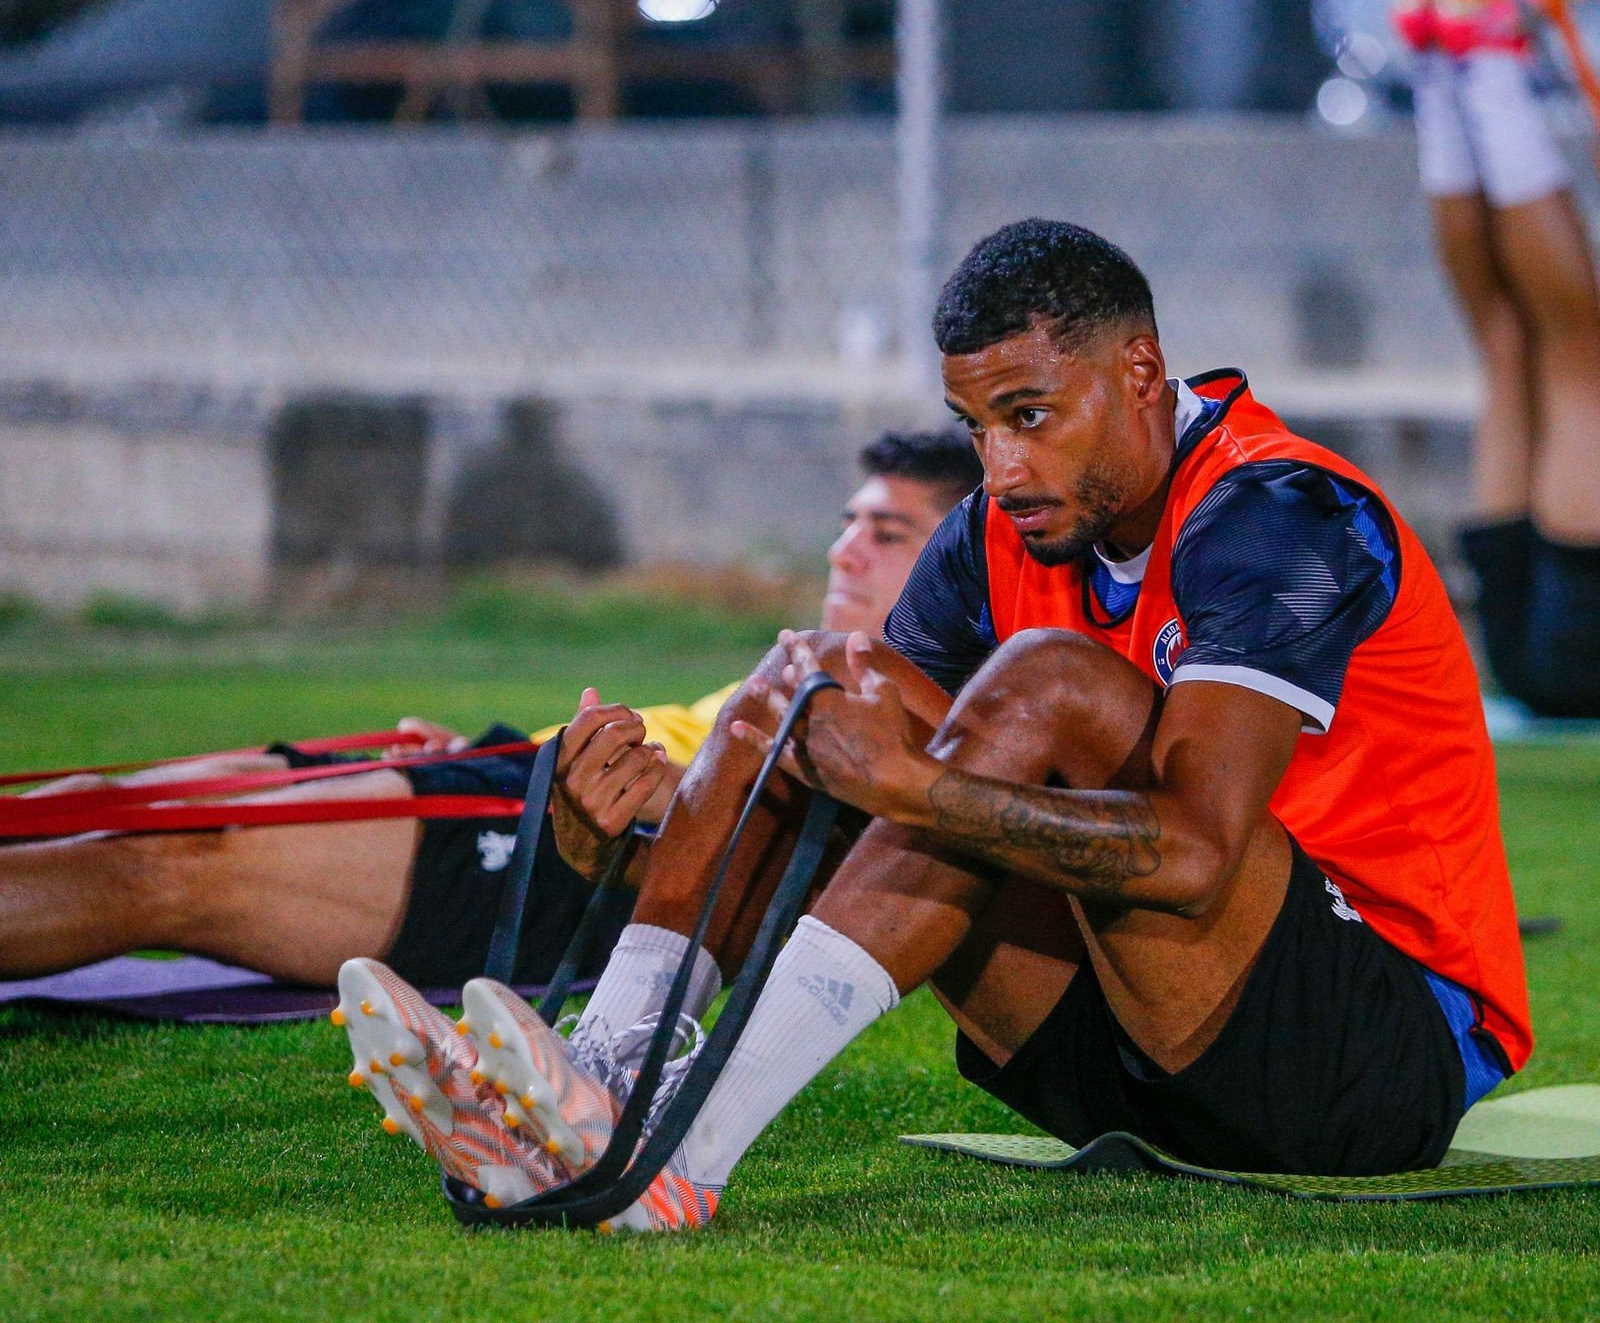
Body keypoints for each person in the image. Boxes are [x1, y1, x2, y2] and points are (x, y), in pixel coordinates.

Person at [338, 218, 1530, 1228]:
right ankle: (602, 1081)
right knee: (808, 677)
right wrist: (634, 831)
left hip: (1371, 1065)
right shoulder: (999, 533)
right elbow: (833, 800)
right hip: (1127, 1055)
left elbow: (1196, 853)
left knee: (1047, 681)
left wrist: (912, 788)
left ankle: (679, 1160)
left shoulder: (1281, 512)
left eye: (1029, 415)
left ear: (1138, 372)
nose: (999, 468)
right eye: (976, 426)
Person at [0, 430, 980, 994]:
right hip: (507, 778)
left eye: (886, 532)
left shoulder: (919, 713)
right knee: (107, 800)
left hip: (565, 863)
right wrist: (486, 751)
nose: (843, 551)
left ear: (950, 562)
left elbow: (816, 858)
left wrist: (653, 795)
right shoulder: (807, 664)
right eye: (847, 524)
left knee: (166, 865)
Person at [1393, 0, 1600, 715]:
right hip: (1524, 660)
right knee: (1510, 344)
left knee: (1567, 357)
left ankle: (1475, 64)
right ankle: (1446, 72)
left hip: (1573, 658)